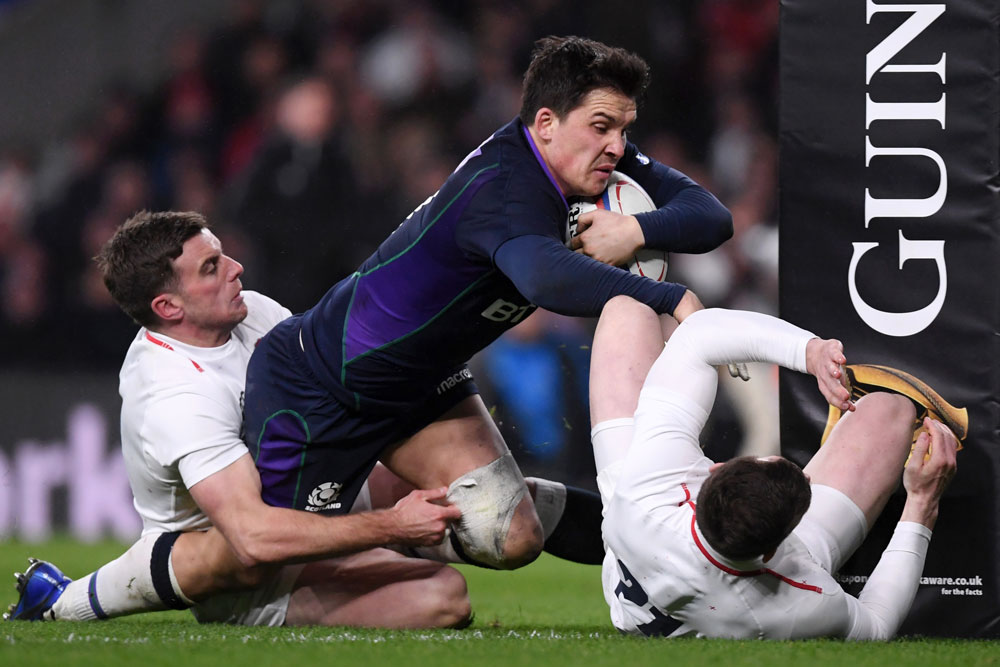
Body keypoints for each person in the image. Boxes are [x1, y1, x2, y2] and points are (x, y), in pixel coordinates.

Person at [243, 35, 732, 572]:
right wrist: (669, 296)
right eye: (601, 127)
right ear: (546, 122)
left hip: (425, 385)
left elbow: (711, 217)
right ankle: (378, 518)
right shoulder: (503, 186)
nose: (617, 146)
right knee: (258, 567)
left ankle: (657, 541)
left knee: (514, 537)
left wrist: (635, 228)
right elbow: (545, 279)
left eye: (623, 129)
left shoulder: (591, 161)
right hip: (326, 381)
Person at [6, 211, 604, 625]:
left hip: (315, 498)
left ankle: (638, 532)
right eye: (211, 268)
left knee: (491, 509)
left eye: (223, 253)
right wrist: (393, 528)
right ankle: (74, 602)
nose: (236, 267)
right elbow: (253, 536)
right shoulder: (173, 395)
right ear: (168, 306)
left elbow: (337, 388)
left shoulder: (254, 313)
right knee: (443, 600)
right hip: (248, 568)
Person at [589, 296, 959, 639]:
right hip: (734, 597)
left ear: (712, 472)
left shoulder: (650, 482)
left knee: (627, 311)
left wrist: (809, 352)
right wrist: (922, 503)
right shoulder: (798, 601)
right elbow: (876, 625)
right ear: (775, 551)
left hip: (634, 523)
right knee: (890, 413)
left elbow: (695, 336)